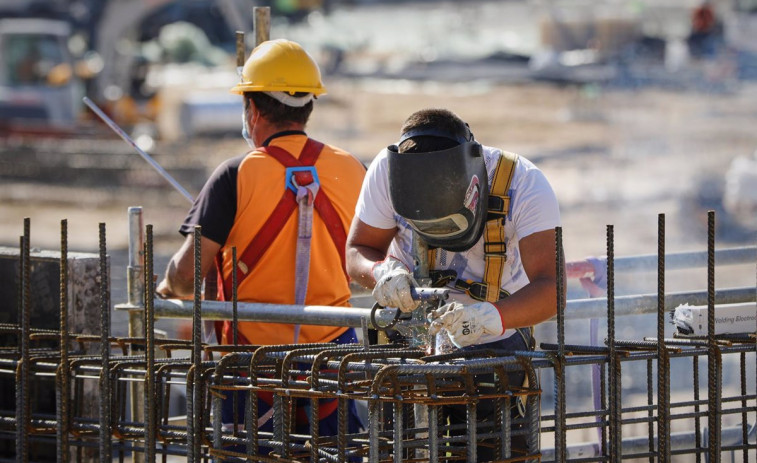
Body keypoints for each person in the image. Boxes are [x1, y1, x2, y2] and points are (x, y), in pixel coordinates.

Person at [156, 38, 366, 456]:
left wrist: (167, 289)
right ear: (309, 105)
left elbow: (185, 276)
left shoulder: (235, 175)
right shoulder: (351, 168)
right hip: (334, 362)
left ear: (252, 110)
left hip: (255, 366)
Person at [345, 108, 564, 458]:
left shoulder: (522, 183)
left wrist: (488, 317)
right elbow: (358, 250)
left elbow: (552, 288)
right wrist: (381, 272)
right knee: (401, 454)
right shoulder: (387, 172)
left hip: (494, 349)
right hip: (410, 343)